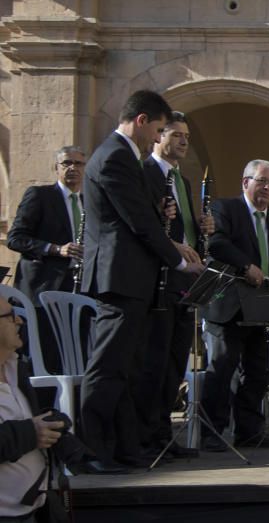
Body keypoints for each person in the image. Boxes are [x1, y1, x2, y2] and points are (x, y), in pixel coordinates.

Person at [79, 90, 203, 473]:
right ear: (141, 120)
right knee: (108, 367)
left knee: (129, 370)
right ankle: (93, 451)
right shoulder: (114, 156)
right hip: (119, 278)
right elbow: (135, 221)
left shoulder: (124, 157)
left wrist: (161, 212)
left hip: (135, 279)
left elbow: (141, 214)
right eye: (158, 129)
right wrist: (177, 259)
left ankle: (123, 449)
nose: (157, 138)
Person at [202, 160, 269, 452]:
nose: (267, 187)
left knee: (257, 371)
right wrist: (246, 266)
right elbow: (216, 244)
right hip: (229, 304)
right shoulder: (225, 209)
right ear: (246, 182)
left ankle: (249, 431)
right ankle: (211, 431)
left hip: (260, 307)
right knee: (223, 367)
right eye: (261, 181)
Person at [136, 112, 213, 459]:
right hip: (157, 281)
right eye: (176, 135)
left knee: (174, 362)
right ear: (157, 137)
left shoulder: (181, 179)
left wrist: (201, 227)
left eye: (186, 136)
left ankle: (164, 433)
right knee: (154, 361)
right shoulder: (146, 173)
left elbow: (183, 232)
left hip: (183, 280)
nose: (183, 141)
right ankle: (146, 436)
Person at [0, 295, 90, 519]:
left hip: (34, 508)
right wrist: (31, 432)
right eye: (11, 316)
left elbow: (22, 419)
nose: (19, 322)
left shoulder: (14, 369)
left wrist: (51, 423)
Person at [6, 146, 87, 374]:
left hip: (79, 291)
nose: (73, 168)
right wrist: (55, 249)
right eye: (66, 163)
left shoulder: (90, 202)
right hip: (43, 292)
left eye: (78, 164)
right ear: (56, 168)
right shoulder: (40, 196)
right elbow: (15, 238)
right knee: (43, 360)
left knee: (75, 359)